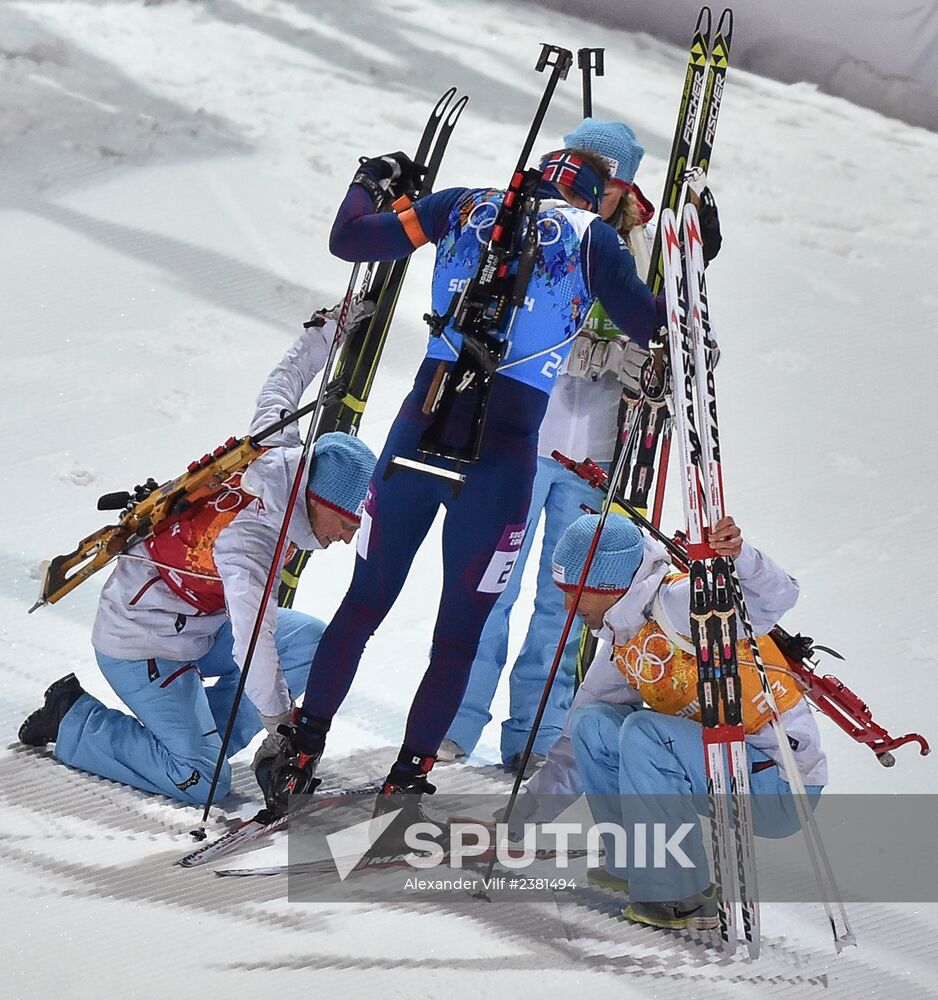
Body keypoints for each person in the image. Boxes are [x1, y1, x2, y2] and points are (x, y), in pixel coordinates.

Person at [261, 142, 667, 815]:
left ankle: (301, 751)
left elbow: (350, 241)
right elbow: (652, 324)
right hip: (501, 463)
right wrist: (685, 277)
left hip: (414, 440)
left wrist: (371, 182)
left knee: (362, 604)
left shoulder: (462, 206)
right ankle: (408, 776)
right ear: (595, 196)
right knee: (460, 630)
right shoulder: (593, 237)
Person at [441, 119, 722, 772]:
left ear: (625, 187)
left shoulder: (650, 252)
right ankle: (452, 726)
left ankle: (533, 741)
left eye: (605, 180)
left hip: (597, 458)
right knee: (488, 588)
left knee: (564, 607)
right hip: (516, 441)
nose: (587, 190)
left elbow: (684, 340)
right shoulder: (538, 231)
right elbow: (495, 327)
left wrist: (665, 364)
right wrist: (594, 351)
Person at [18, 310, 377, 806]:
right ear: (320, 501)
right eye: (347, 524)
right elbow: (255, 641)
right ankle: (73, 717)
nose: (344, 537)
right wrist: (279, 725)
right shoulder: (250, 543)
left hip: (201, 624)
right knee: (203, 781)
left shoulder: (281, 448)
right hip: (142, 640)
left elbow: (284, 383)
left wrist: (327, 333)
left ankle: (198, 737)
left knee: (310, 641)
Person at [504, 512, 826, 930]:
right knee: (591, 723)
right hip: (724, 766)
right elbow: (570, 750)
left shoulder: (680, 602)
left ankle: (680, 893)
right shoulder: (628, 639)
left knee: (644, 732)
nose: (569, 607)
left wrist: (741, 556)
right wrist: (517, 819)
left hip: (778, 784)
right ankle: (637, 863)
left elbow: (777, 599)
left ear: (611, 586)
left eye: (577, 593)